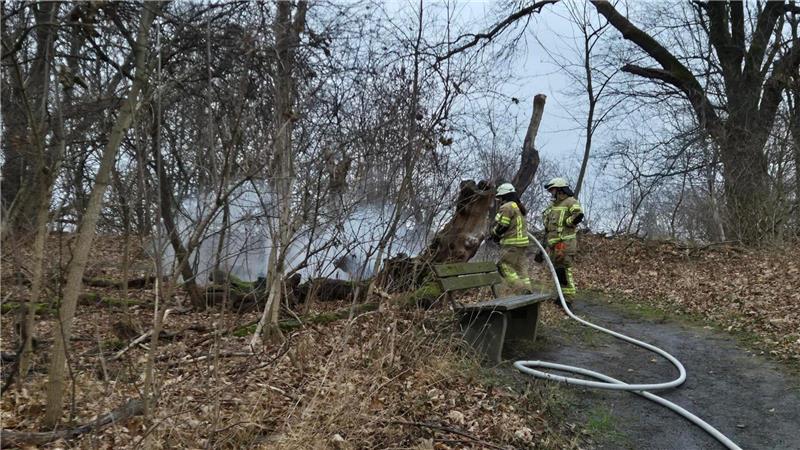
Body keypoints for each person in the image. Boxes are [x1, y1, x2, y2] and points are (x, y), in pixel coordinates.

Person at [535, 177, 584, 297]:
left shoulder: (570, 201)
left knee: (564, 272)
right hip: (554, 245)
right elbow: (548, 227)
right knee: (558, 272)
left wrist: (569, 222)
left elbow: (579, 214)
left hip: (564, 244)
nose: (551, 192)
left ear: (560, 190)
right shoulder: (553, 205)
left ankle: (567, 299)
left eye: (553, 190)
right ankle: (560, 296)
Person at [490, 182, 531, 292]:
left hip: (512, 243)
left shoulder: (507, 207)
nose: (500, 200)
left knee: (504, 266)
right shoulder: (517, 206)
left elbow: (503, 225)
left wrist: (495, 235)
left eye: (500, 197)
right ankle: (528, 290)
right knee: (520, 268)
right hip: (522, 244)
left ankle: (521, 291)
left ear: (505, 195)